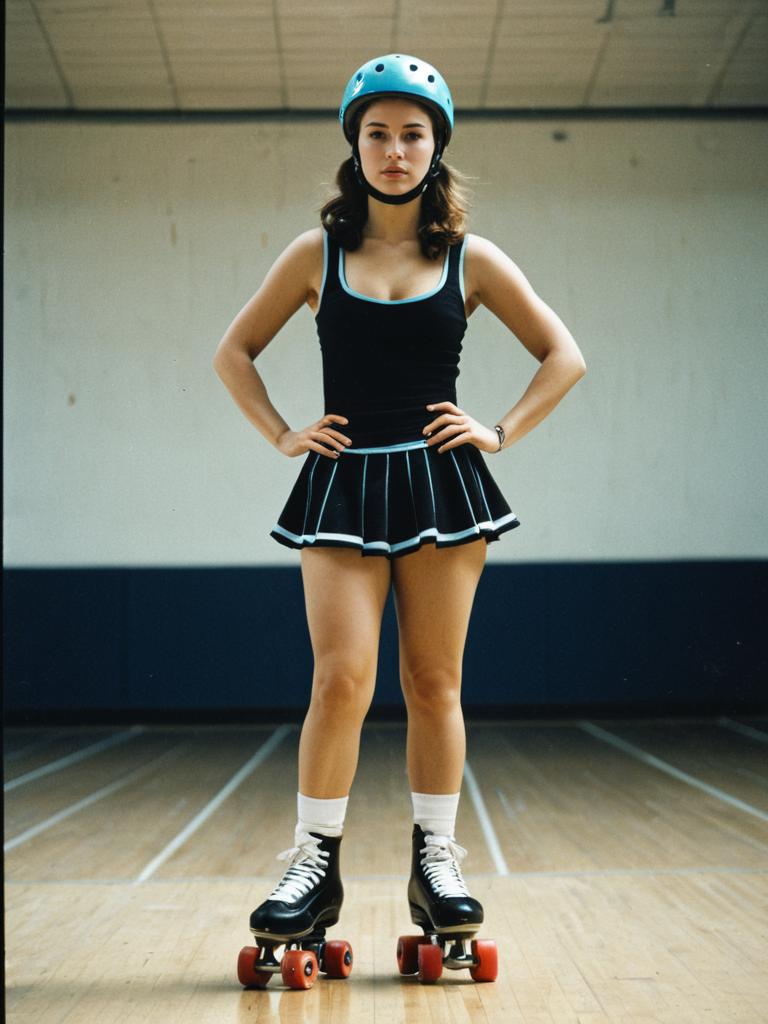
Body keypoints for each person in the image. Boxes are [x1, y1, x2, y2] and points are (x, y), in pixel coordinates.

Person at [214, 53, 586, 983]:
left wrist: (497, 431)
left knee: (433, 684)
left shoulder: (471, 257)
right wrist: (280, 434)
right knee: (340, 680)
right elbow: (234, 352)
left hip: (440, 486)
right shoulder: (316, 254)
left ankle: (436, 862)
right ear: (355, 144)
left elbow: (563, 354)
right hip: (343, 488)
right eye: (376, 132)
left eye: (412, 132)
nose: (394, 149)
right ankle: (314, 865)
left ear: (437, 146)